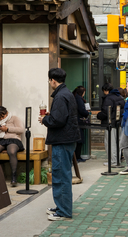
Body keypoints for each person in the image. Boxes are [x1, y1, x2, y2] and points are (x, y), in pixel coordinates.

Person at [39, 68, 80, 221]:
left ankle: (63, 211)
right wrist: (52, 115)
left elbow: (58, 121)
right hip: (67, 139)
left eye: (50, 80)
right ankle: (61, 207)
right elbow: (63, 116)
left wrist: (45, 120)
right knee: (62, 175)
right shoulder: (67, 93)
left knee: (61, 176)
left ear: (53, 81)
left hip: (62, 140)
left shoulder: (60, 96)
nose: (50, 83)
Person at [97, 83, 125, 166]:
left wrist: (99, 115)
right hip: (119, 123)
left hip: (111, 124)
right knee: (118, 143)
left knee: (110, 143)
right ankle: (117, 160)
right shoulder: (120, 97)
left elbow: (106, 112)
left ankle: (113, 161)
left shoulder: (109, 98)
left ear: (106, 90)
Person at [72, 86, 90, 163]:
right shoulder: (78, 99)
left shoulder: (74, 97)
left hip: (75, 121)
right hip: (79, 121)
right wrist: (87, 113)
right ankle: (77, 157)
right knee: (79, 140)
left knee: (78, 140)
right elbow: (82, 110)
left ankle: (76, 157)